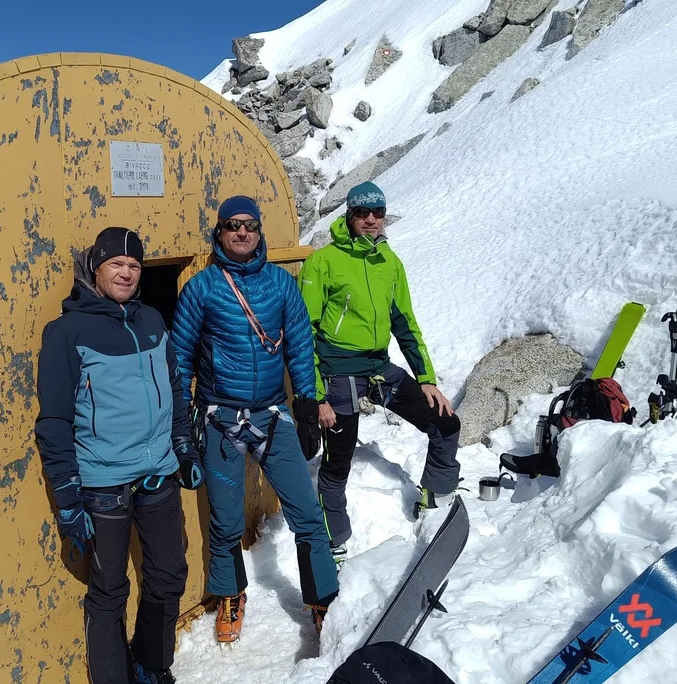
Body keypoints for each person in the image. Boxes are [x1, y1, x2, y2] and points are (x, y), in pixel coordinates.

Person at [35, 227, 203, 684]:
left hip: (159, 476)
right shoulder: (68, 332)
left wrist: (183, 445)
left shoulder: (151, 320)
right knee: (110, 590)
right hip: (103, 484)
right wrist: (68, 499)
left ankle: (151, 664)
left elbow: (174, 389)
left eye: (134, 266)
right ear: (96, 268)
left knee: (169, 574)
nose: (126, 273)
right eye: (116, 264)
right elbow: (53, 421)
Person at [171, 196, 338, 643]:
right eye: (232, 225)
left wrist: (305, 405)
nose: (242, 232)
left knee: (306, 512)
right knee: (224, 523)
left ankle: (323, 599)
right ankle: (230, 595)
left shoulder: (281, 285)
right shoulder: (202, 288)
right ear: (219, 233)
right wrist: (181, 424)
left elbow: (301, 347)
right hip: (219, 418)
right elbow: (181, 359)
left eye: (250, 225)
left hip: (272, 415)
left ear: (259, 231)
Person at [298, 181, 462, 563]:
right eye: (361, 212)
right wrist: (317, 393)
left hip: (378, 367)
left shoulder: (390, 262)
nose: (370, 219)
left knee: (445, 423)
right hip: (338, 371)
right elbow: (304, 331)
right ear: (349, 215)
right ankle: (333, 541)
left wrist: (426, 379)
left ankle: (435, 497)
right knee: (337, 460)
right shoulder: (323, 262)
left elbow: (405, 323)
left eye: (378, 212)